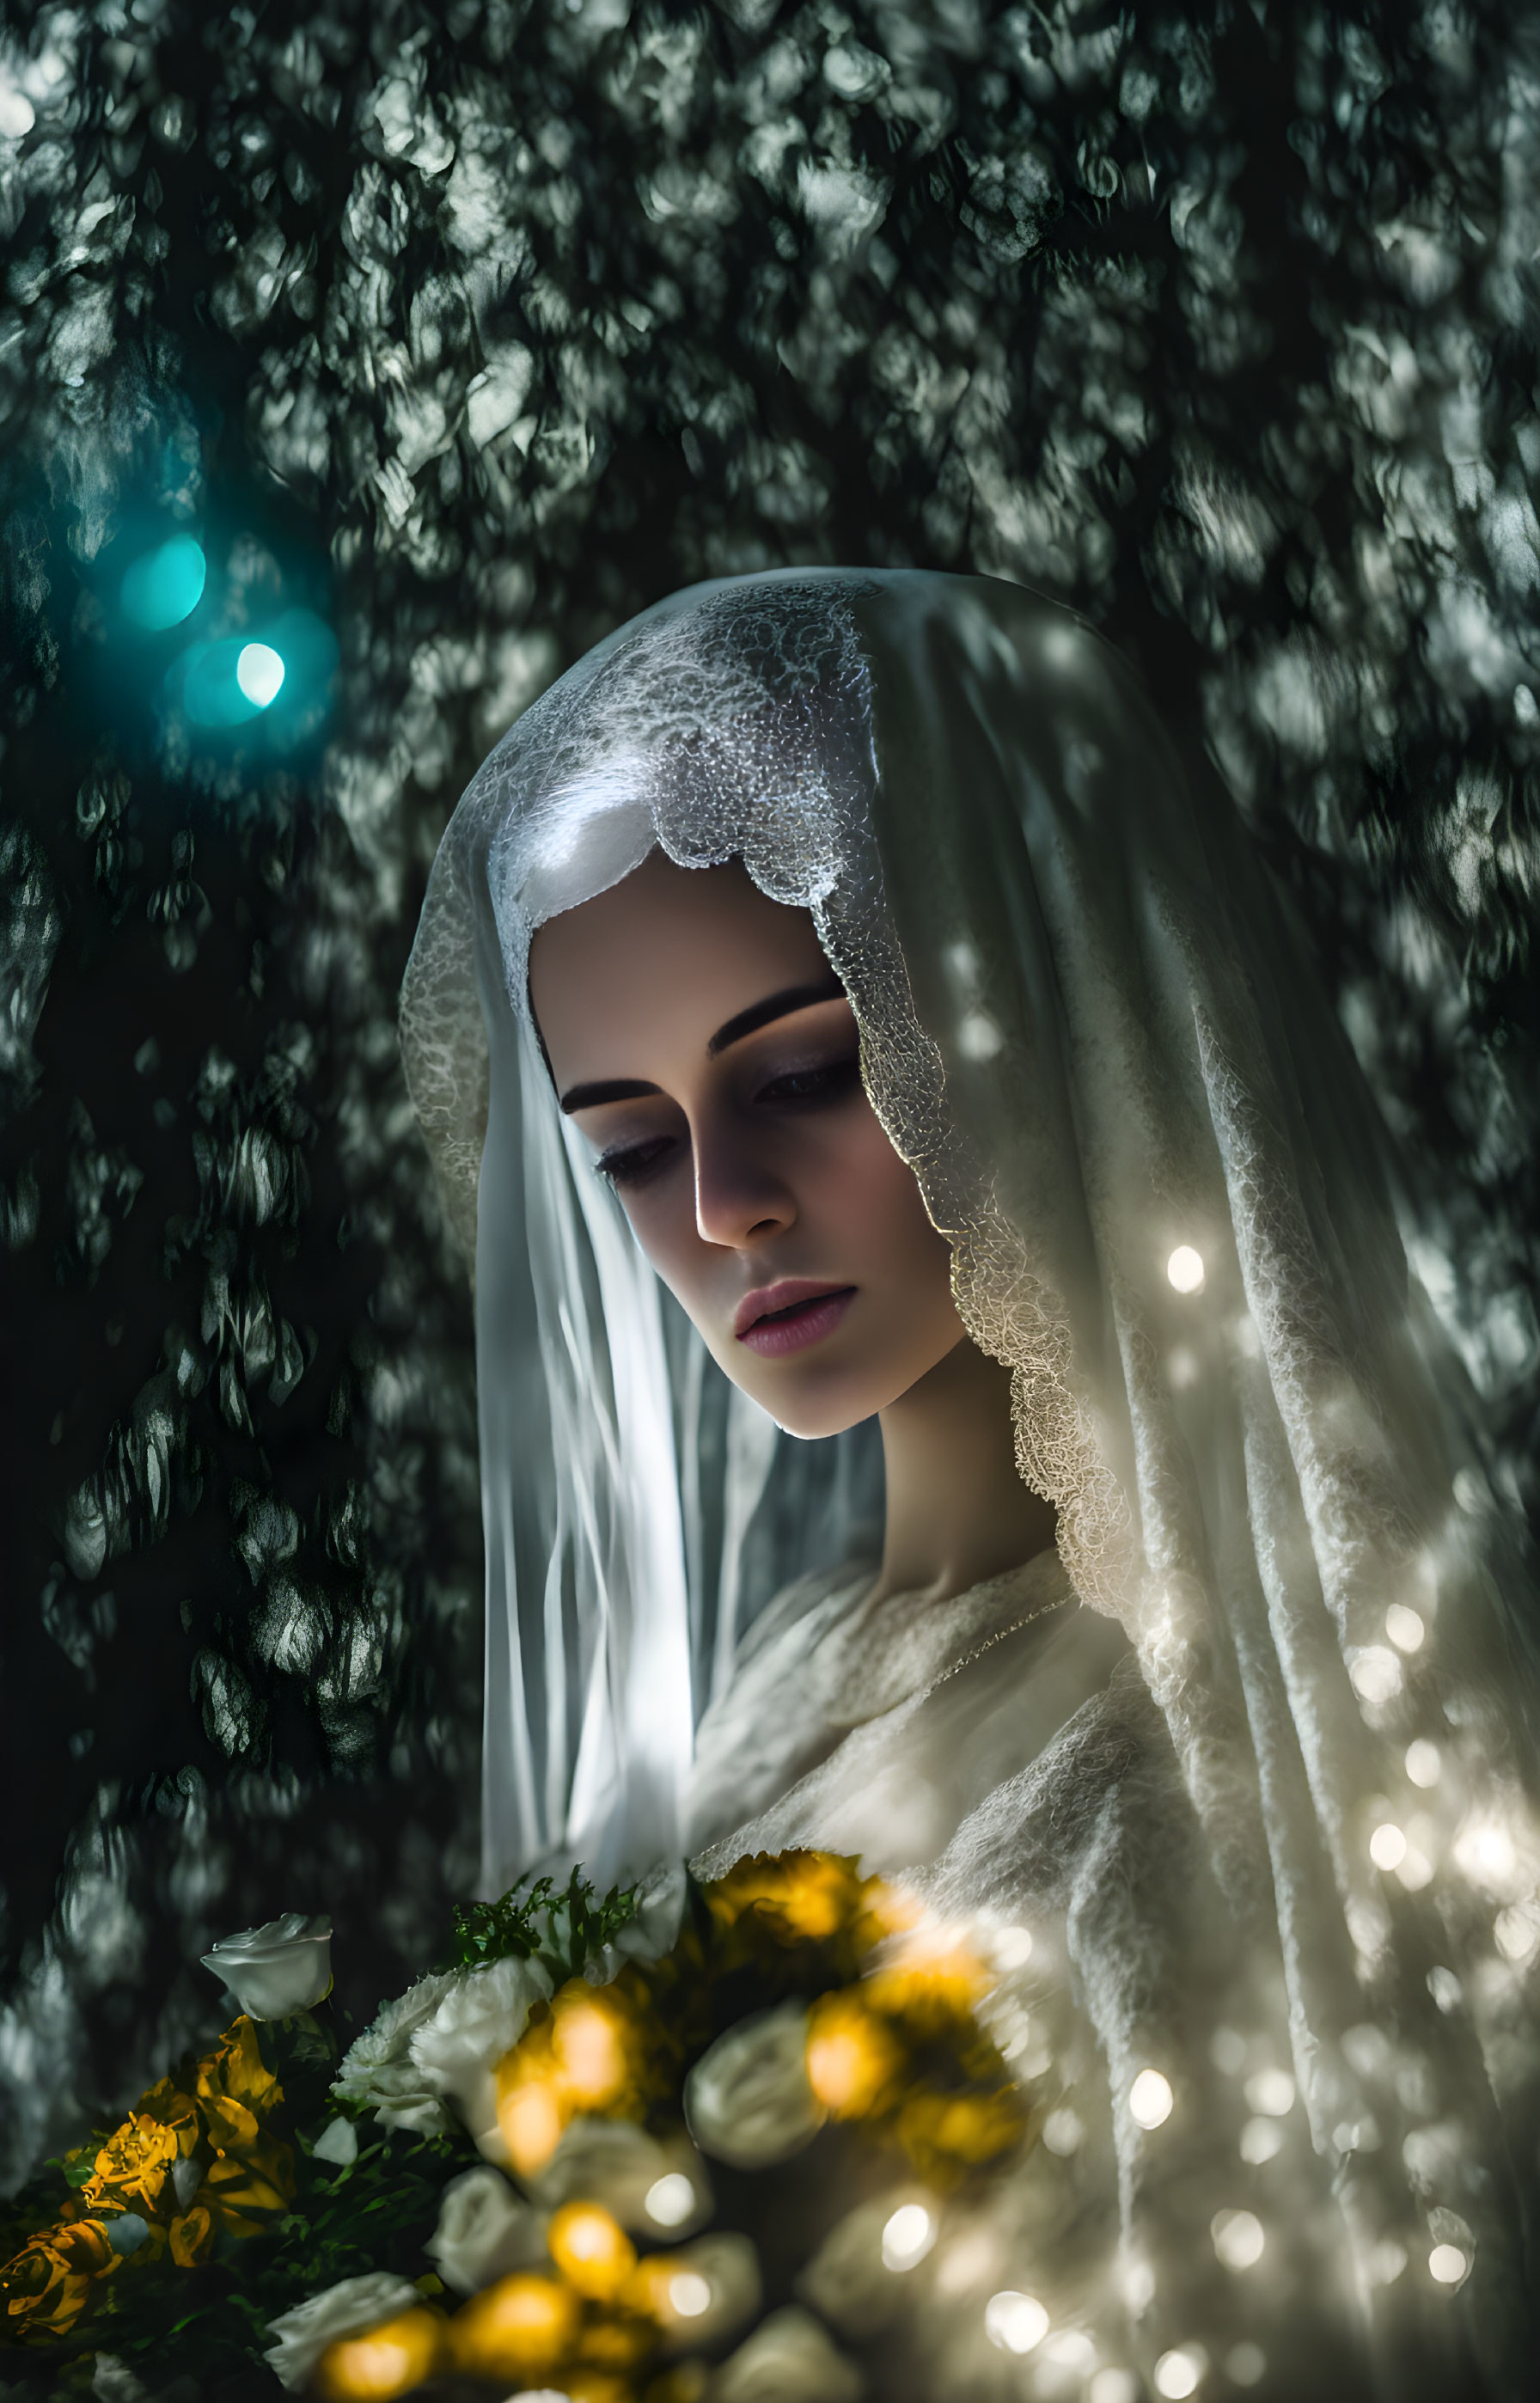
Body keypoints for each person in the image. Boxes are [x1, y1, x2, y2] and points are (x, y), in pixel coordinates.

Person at [401, 568, 1538, 2398]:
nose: (717, 1209)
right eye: (625, 1149)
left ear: (1028, 1014)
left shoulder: (1211, 1758)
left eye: (800, 1073)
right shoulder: (775, 1682)